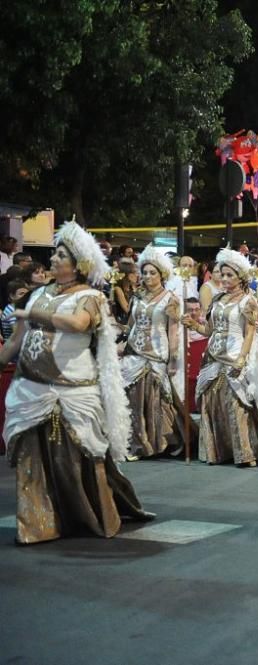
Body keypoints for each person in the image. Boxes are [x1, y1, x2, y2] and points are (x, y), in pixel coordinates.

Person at [0, 221, 153, 544]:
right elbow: (15, 341)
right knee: (32, 460)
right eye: (54, 255)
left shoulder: (92, 297)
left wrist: (33, 315)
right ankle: (39, 525)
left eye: (59, 255)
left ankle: (86, 514)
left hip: (72, 391)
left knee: (73, 461)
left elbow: (77, 324)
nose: (53, 260)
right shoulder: (38, 293)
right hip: (30, 388)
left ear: (78, 265)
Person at [183, 247, 258, 466]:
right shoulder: (217, 299)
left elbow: (250, 332)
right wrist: (193, 324)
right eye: (222, 274)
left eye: (230, 275)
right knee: (211, 403)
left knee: (235, 404)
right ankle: (215, 451)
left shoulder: (248, 301)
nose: (225, 278)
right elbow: (209, 330)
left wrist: (242, 358)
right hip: (213, 356)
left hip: (234, 354)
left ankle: (243, 453)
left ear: (241, 277)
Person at [121, 244, 189, 459]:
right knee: (133, 400)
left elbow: (173, 331)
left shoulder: (171, 299)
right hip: (134, 352)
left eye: (152, 272)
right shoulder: (137, 297)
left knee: (156, 401)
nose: (148, 276)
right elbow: (130, 325)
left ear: (162, 275)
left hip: (157, 353)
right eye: (144, 272)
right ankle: (139, 443)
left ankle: (167, 440)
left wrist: (172, 359)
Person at [112, 261, 139, 328]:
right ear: (127, 275)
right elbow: (127, 310)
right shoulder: (118, 289)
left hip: (131, 321)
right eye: (135, 272)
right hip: (122, 324)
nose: (137, 275)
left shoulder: (132, 288)